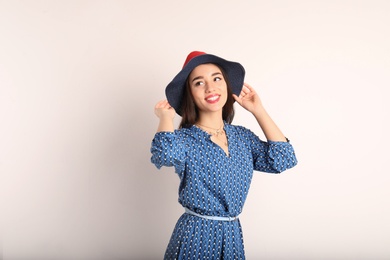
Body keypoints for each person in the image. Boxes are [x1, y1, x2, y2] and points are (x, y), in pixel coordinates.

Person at [150, 51, 297, 259]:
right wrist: (165, 118)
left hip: (232, 236)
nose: (211, 87)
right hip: (196, 237)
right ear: (189, 93)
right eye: (199, 83)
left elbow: (284, 159)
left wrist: (258, 110)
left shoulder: (242, 138)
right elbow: (163, 154)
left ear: (227, 86)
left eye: (217, 78)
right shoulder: (184, 139)